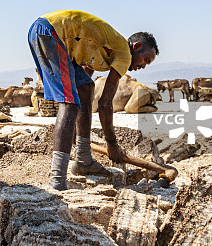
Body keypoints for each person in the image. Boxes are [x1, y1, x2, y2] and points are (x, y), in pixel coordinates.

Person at [27, 10, 158, 190]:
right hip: (50, 33)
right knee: (70, 103)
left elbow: (85, 85)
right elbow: (105, 104)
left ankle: (83, 159)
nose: (143, 66)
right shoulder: (124, 54)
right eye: (145, 59)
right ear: (136, 46)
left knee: (87, 89)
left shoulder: (108, 48)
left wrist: (75, 130)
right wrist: (112, 144)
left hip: (46, 32)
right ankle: (57, 180)